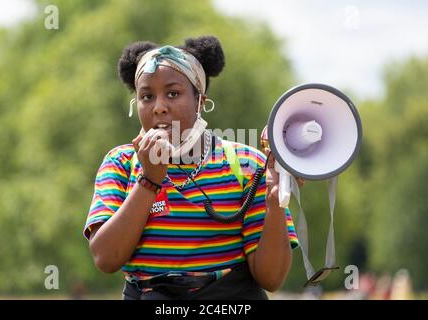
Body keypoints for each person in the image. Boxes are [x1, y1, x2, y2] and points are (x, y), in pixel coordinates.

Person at [83, 35, 299, 300]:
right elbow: (106, 258)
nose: (159, 107)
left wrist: (276, 202)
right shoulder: (120, 163)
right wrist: (150, 180)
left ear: (200, 101)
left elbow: (271, 278)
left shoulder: (246, 165)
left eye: (173, 94)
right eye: (147, 96)